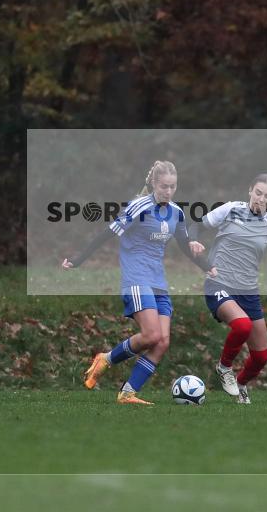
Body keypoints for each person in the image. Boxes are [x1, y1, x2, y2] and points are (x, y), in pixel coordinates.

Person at [62, 160, 213, 405]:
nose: (168, 191)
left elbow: (186, 247)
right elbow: (107, 233)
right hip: (136, 278)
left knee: (162, 342)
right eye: (164, 186)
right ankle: (106, 359)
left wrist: (209, 267)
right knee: (151, 334)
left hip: (158, 281)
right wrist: (78, 260)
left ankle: (127, 393)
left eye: (173, 186)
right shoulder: (138, 206)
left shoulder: (176, 212)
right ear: (154, 184)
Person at [198, 173, 267, 404]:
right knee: (241, 325)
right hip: (219, 282)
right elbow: (195, 227)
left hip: (248, 291)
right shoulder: (230, 209)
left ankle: (240, 385)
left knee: (260, 357)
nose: (261, 198)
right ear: (250, 190)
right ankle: (224, 367)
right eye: (258, 193)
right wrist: (196, 248)